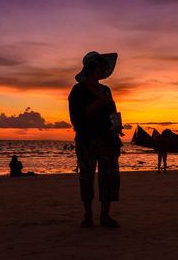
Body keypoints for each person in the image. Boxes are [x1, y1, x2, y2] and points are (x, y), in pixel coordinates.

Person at [68, 51, 123, 228]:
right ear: (92, 68)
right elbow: (76, 118)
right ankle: (88, 215)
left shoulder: (106, 90)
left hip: (108, 139)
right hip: (86, 140)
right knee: (86, 177)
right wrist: (97, 103)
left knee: (109, 177)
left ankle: (105, 216)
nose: (104, 69)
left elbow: (113, 111)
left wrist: (117, 126)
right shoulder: (78, 91)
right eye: (101, 65)